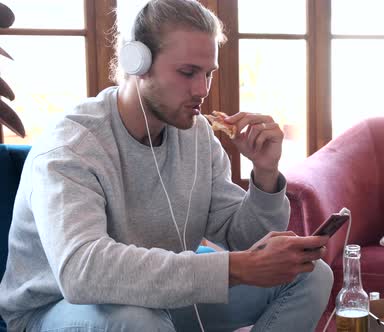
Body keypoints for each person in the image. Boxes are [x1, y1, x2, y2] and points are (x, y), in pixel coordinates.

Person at [0, 0, 333, 331]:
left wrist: (265, 173)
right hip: (58, 309)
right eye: (188, 72)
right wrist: (236, 268)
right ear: (138, 61)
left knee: (307, 274)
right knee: (138, 320)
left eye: (208, 74)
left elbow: (246, 241)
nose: (202, 90)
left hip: (160, 299)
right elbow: (81, 273)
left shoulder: (198, 135)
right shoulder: (73, 146)